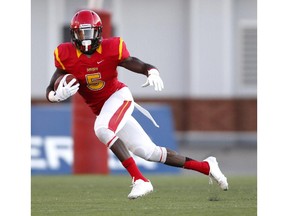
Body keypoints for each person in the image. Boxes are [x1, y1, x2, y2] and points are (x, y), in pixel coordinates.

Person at [46, 9, 228, 199]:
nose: (85, 39)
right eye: (81, 33)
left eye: (89, 33)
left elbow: (135, 62)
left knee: (102, 129)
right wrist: (55, 96)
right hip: (103, 109)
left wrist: (151, 71)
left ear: (99, 33)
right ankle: (206, 166)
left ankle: (140, 180)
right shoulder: (64, 54)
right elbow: (51, 87)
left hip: (118, 97)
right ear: (73, 34)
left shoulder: (111, 47)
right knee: (148, 152)